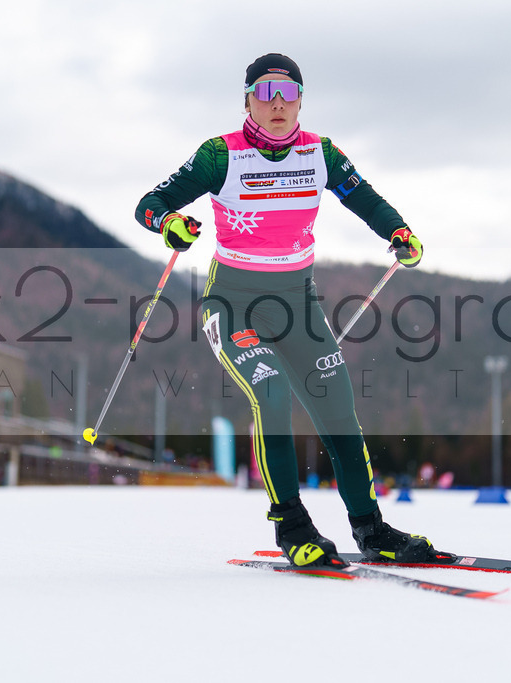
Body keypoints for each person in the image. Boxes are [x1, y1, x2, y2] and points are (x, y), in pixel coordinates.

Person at [135, 53, 451, 568]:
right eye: (265, 92)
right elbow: (150, 203)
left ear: (301, 101)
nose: (277, 103)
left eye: (288, 93)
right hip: (233, 304)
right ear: (247, 102)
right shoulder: (220, 156)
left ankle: (371, 529)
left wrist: (399, 232)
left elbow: (366, 200)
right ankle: (293, 526)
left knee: (338, 410)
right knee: (273, 392)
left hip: (298, 306)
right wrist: (169, 222)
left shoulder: (320, 153)